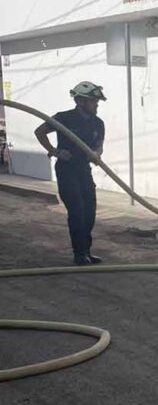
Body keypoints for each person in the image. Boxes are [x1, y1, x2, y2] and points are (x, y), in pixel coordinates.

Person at [34, 81, 106, 266]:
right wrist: (55, 151)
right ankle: (79, 253)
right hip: (67, 171)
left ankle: (87, 251)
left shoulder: (98, 123)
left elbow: (99, 146)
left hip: (84, 170)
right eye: (94, 101)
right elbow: (40, 131)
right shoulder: (63, 118)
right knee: (77, 211)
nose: (97, 105)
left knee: (90, 211)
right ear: (81, 101)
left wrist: (96, 154)